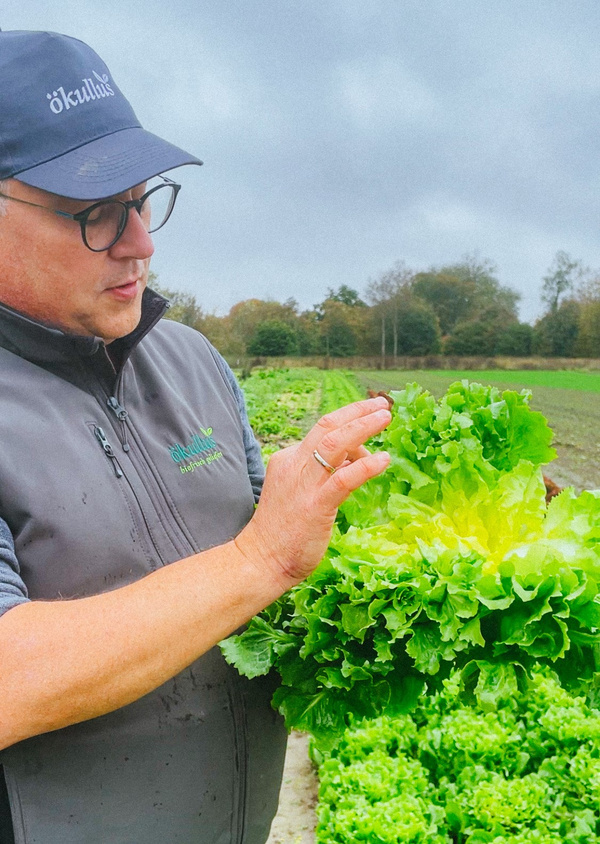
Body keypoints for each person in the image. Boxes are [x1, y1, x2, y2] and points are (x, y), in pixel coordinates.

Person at [0, 29, 391, 844]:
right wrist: (261, 560)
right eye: (96, 215)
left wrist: (424, 550)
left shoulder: (190, 360)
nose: (141, 243)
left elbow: (277, 562)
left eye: (142, 200)